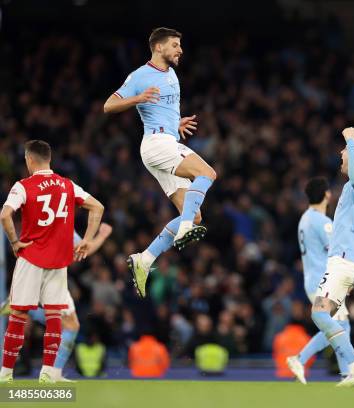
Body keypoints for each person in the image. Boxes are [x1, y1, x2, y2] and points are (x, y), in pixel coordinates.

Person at [103, 27, 215, 298]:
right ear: (159, 47)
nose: (180, 50)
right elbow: (108, 106)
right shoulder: (140, 76)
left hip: (165, 140)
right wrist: (137, 98)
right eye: (175, 45)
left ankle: (145, 258)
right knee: (208, 173)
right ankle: (186, 227)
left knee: (195, 212)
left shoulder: (172, 74)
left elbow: (159, 113)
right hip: (156, 145)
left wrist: (175, 124)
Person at [0, 140, 104, 383]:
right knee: (54, 316)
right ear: (49, 159)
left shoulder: (24, 185)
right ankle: (47, 373)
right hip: (59, 262)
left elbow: (5, 215)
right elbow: (97, 207)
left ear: (30, 160)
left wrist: (15, 242)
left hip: (32, 258)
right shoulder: (68, 185)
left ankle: (5, 373)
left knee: (18, 314)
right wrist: (87, 240)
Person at [0, 223, 113, 382]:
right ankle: (52, 373)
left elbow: (82, 250)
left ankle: (54, 372)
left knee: (71, 326)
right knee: (68, 325)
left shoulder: (55, 217)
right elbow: (81, 251)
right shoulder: (62, 220)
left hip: (44, 272)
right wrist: (101, 236)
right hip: (49, 275)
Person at [311, 127, 354, 387]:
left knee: (319, 314)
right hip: (347, 261)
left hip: (342, 260)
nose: (341, 157)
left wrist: (351, 141)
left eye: (344, 155)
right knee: (329, 316)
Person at [286, 177, 350, 384]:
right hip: (326, 283)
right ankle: (299, 359)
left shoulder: (305, 219)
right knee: (335, 326)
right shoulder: (322, 222)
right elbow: (337, 252)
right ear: (327, 195)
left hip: (314, 280)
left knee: (340, 326)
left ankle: (347, 375)